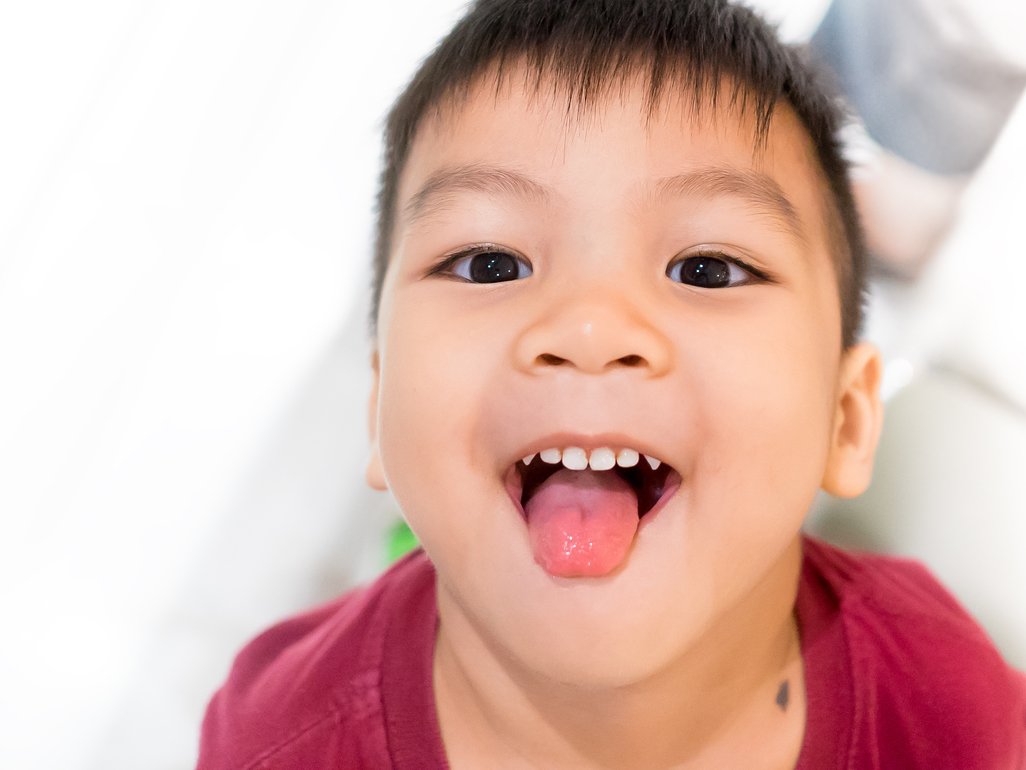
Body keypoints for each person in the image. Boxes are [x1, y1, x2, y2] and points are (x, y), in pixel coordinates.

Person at [195, 0, 1026, 767]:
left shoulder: (948, 702)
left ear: (847, 421)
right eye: (490, 264)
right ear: (376, 410)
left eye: (706, 268)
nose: (589, 331)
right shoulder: (284, 739)